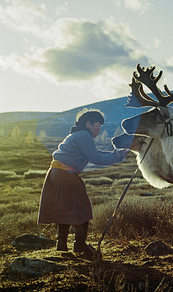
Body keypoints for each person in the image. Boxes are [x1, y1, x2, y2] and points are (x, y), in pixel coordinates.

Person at [38, 108, 128, 255]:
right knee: (83, 208)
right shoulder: (83, 136)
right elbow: (96, 158)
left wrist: (117, 155)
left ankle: (62, 245)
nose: (99, 130)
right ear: (88, 124)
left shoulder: (78, 135)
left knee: (64, 208)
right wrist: (117, 157)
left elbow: (96, 153)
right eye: (98, 126)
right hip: (65, 174)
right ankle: (79, 245)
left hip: (58, 173)